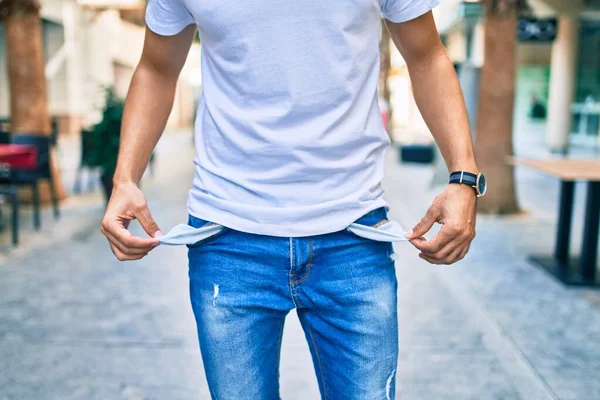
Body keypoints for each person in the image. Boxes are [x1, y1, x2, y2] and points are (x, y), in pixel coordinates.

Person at [101, 0, 484, 398]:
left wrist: (464, 176)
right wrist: (125, 177)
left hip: (353, 235)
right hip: (227, 238)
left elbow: (426, 56)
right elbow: (157, 68)